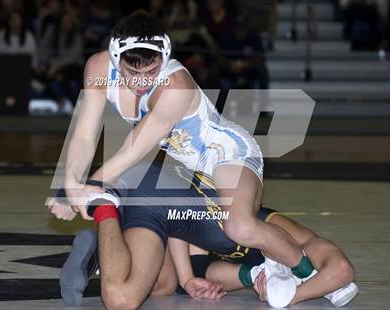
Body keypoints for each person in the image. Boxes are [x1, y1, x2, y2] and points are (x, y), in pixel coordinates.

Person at [53, 11, 316, 292]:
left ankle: (308, 273)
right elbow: (84, 134)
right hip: (186, 170)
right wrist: (70, 185)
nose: (142, 82)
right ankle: (102, 253)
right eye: (132, 73)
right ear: (116, 58)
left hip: (225, 154)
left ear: (164, 59)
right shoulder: (98, 69)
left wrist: (87, 188)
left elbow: (136, 148)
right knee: (168, 282)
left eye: (151, 72)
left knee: (239, 227)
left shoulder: (174, 84)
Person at [50, 160, 358, 308]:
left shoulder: (260, 264)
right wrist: (293, 294)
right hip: (165, 203)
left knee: (163, 286)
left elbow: (201, 262)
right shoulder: (293, 237)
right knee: (124, 299)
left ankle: (98, 254)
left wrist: (252, 278)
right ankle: (105, 212)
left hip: (176, 218)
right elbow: (342, 270)